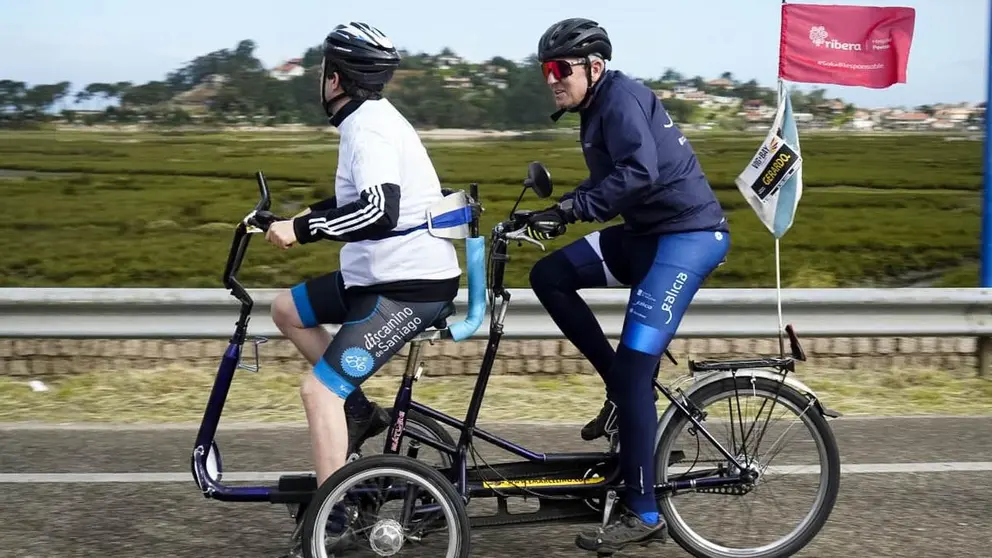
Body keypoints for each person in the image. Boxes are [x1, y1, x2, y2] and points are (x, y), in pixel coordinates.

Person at [523, 17, 731, 554]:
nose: (550, 78)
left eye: (559, 68)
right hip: (647, 235)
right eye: (545, 69)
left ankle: (643, 512)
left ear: (594, 67)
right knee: (550, 275)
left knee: (637, 372)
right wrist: (551, 212)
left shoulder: (620, 99)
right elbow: (607, 182)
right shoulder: (593, 111)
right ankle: (620, 389)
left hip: (686, 237)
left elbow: (639, 172)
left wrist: (571, 210)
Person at [262, 21, 463, 556]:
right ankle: (354, 409)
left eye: (323, 68)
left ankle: (334, 522)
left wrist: (302, 231)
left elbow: (380, 209)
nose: (319, 78)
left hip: (408, 285)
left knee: (316, 390)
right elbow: (358, 200)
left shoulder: (368, 128)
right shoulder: (368, 120)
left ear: (337, 77)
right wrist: (297, 217)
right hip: (374, 273)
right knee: (286, 309)